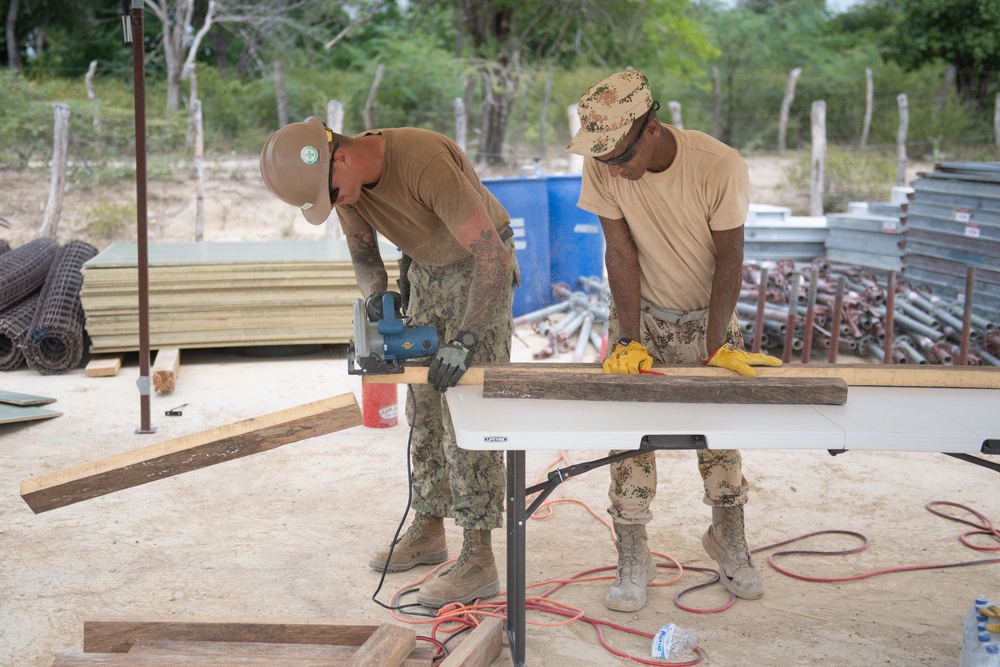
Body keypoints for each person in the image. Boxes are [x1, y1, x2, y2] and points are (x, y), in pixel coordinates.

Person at [259, 118, 520, 608]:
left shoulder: (423, 163)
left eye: (331, 194)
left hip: (477, 268)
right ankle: (427, 526)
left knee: (470, 411)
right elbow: (364, 255)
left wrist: (466, 339)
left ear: (341, 156)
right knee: (423, 409)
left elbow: (492, 258)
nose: (334, 204)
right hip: (424, 268)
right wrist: (381, 300)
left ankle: (479, 559)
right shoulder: (343, 188)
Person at [565, 69, 782, 612]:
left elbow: (729, 258)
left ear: (652, 128)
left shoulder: (718, 165)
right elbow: (620, 253)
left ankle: (728, 538)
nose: (613, 169)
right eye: (604, 159)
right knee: (630, 439)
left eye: (621, 158)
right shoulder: (603, 160)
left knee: (720, 440)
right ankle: (634, 553)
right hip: (642, 316)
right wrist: (629, 339)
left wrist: (715, 345)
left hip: (709, 317)